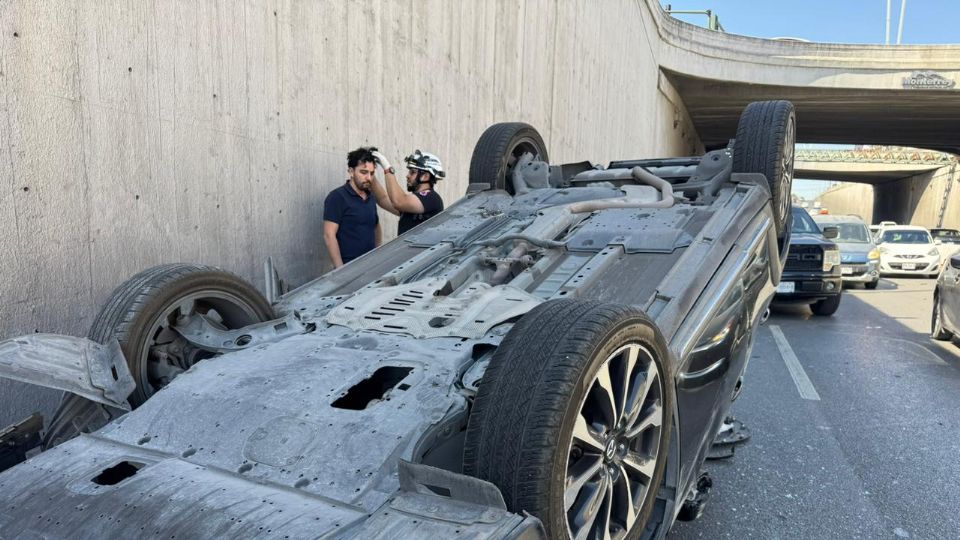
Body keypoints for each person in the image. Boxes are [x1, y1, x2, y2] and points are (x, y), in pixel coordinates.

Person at [322, 147, 398, 268]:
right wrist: (340, 269)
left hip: (371, 266)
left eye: (372, 173)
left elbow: (376, 226)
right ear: (351, 171)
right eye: (363, 172)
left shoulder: (371, 197)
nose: (368, 177)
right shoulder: (337, 197)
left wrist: (377, 254)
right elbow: (329, 235)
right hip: (349, 267)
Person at [370, 149, 445, 235]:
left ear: (425, 176)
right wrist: (370, 175)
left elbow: (398, 201)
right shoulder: (414, 202)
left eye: (412, 172)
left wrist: (388, 169)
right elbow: (382, 199)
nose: (407, 176)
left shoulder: (432, 198)